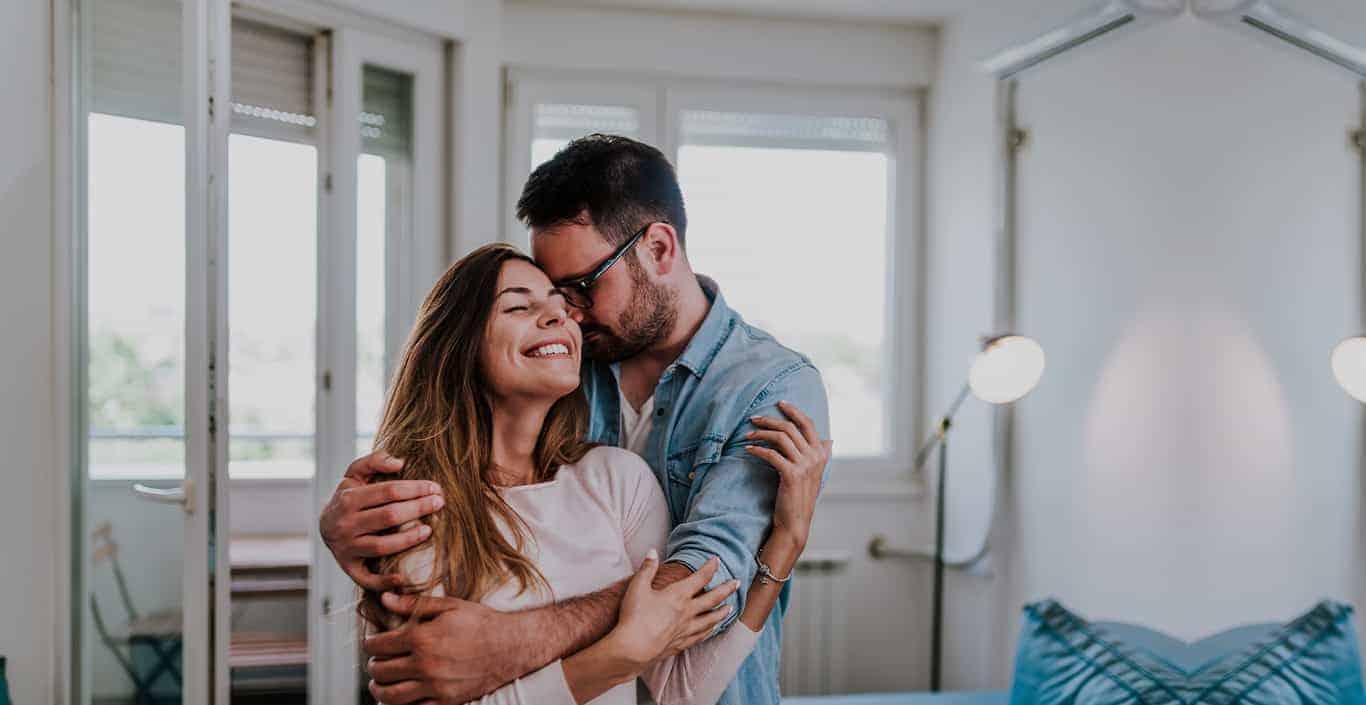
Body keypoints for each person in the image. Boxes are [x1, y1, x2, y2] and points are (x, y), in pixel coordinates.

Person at [321, 134, 832, 705]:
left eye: (580, 288)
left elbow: (708, 584)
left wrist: (510, 641)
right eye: (550, 296)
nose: (567, 314)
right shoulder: (559, 368)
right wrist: (344, 532)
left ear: (658, 248)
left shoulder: (768, 386)